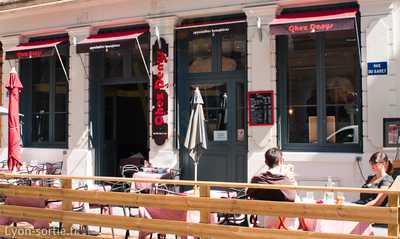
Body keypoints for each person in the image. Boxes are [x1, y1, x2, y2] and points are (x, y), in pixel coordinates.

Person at [247, 148, 299, 229]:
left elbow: (249, 193)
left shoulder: (257, 180)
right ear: (281, 161)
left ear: (266, 162)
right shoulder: (286, 181)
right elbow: (293, 198)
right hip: (284, 226)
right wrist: (290, 178)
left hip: (262, 224)